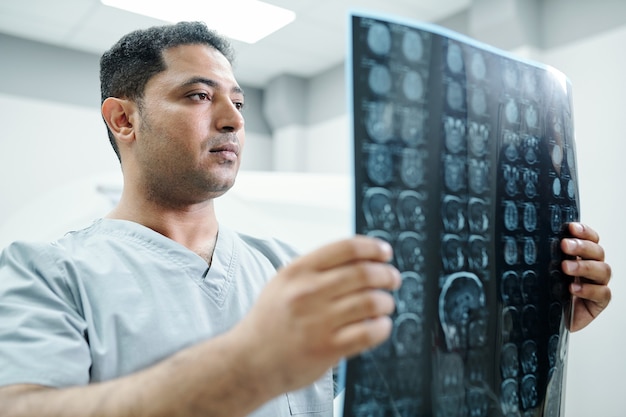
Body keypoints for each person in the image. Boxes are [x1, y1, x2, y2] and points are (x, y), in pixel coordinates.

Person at [0, 21, 611, 417]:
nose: (235, 119)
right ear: (123, 119)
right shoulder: (49, 274)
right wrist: (251, 365)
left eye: (237, 101)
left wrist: (533, 314)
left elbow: (396, 387)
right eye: (197, 95)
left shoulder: (284, 266)